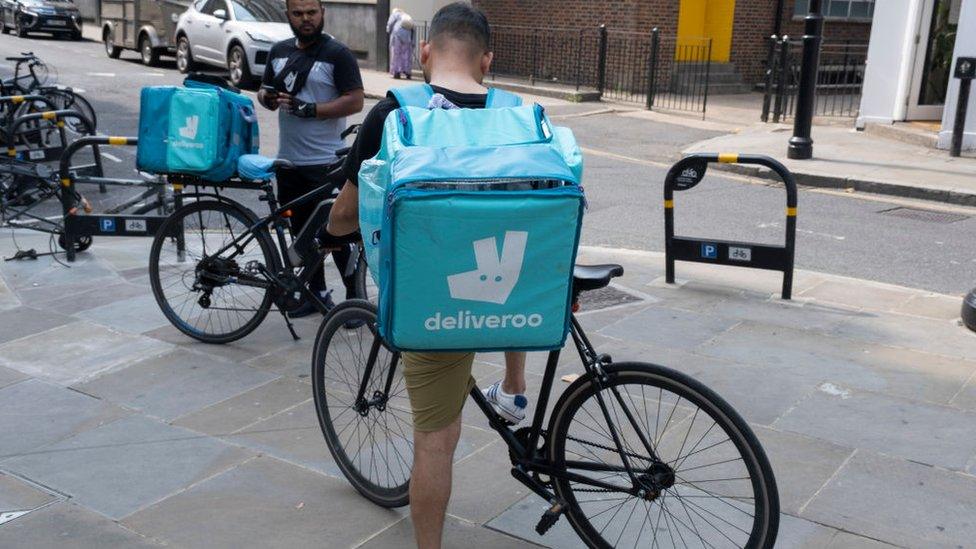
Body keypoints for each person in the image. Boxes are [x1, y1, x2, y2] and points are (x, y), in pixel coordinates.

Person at [327, 4, 528, 547]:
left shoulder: (396, 116)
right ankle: (514, 386)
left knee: (435, 443)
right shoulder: (517, 115)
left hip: (438, 300)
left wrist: (334, 223)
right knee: (513, 258)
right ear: (487, 59)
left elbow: (345, 217)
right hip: (514, 301)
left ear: (422, 53)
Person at [257, 0, 365, 318]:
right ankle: (315, 294)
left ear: (322, 13)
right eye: (298, 13)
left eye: (311, 13)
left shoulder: (338, 54)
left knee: (339, 233)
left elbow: (355, 101)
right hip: (288, 162)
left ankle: (353, 300)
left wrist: (312, 109)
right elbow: (264, 93)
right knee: (301, 233)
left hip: (326, 164)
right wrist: (268, 98)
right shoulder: (278, 52)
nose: (306, 19)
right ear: (287, 15)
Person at [387, 7, 415, 79]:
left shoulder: (395, 15)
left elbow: (390, 24)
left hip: (397, 34)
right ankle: (408, 72)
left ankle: (397, 72)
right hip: (408, 36)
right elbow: (413, 28)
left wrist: (389, 31)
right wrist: (412, 41)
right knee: (406, 54)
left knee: (396, 54)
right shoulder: (406, 16)